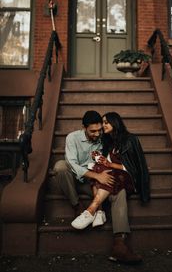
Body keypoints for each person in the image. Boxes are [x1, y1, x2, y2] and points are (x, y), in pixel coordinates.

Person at [53, 110, 142, 264]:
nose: (97, 134)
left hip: (95, 183)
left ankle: (119, 244)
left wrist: (104, 175)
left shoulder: (104, 139)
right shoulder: (72, 138)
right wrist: (96, 175)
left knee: (118, 190)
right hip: (76, 180)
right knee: (60, 166)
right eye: (92, 131)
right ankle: (77, 206)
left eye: (99, 130)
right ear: (84, 128)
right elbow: (72, 164)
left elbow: (115, 156)